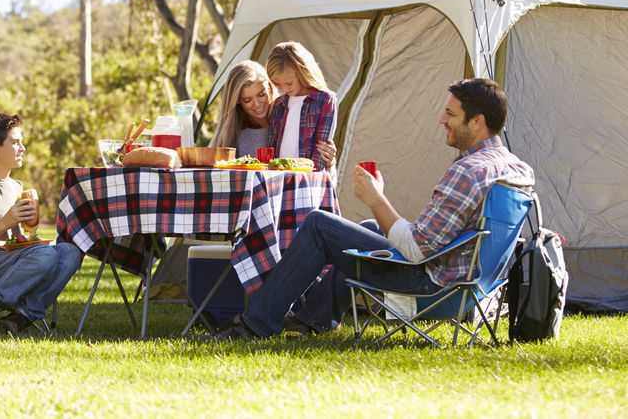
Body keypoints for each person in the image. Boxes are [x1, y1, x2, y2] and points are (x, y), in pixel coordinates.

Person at [210, 77, 535, 340]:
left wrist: (376, 197)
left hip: (431, 288)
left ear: (477, 122)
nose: (441, 120)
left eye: (450, 114)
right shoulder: (515, 168)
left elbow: (417, 250)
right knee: (365, 229)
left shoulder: (469, 171)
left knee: (320, 225)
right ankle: (314, 319)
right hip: (474, 286)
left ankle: (254, 325)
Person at [0, 112, 81, 335]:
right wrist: (5, 222)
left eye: (22, 142)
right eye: (15, 142)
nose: (23, 148)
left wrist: (29, 232)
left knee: (70, 253)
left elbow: (18, 240)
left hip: (11, 259)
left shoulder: (16, 187)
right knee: (45, 254)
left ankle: (21, 317)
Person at [264, 42, 337, 171]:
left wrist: (309, 179)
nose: (284, 89)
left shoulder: (324, 99)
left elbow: (321, 149)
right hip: (278, 178)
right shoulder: (278, 104)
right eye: (278, 84)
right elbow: (272, 145)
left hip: (308, 179)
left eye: (289, 83)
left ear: (303, 73)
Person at [209, 60, 277, 157]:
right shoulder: (233, 131)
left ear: (269, 87)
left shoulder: (285, 115)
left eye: (261, 95)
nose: (257, 104)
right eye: (247, 100)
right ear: (237, 101)